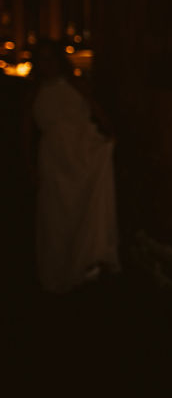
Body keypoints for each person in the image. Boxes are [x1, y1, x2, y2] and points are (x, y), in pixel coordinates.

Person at [28, 38, 119, 293]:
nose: (47, 65)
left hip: (80, 152)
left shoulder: (75, 84)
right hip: (53, 158)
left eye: (50, 58)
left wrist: (110, 133)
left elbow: (95, 108)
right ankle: (57, 271)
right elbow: (26, 130)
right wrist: (30, 164)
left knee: (81, 208)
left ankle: (84, 264)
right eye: (42, 59)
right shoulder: (35, 90)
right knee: (54, 215)